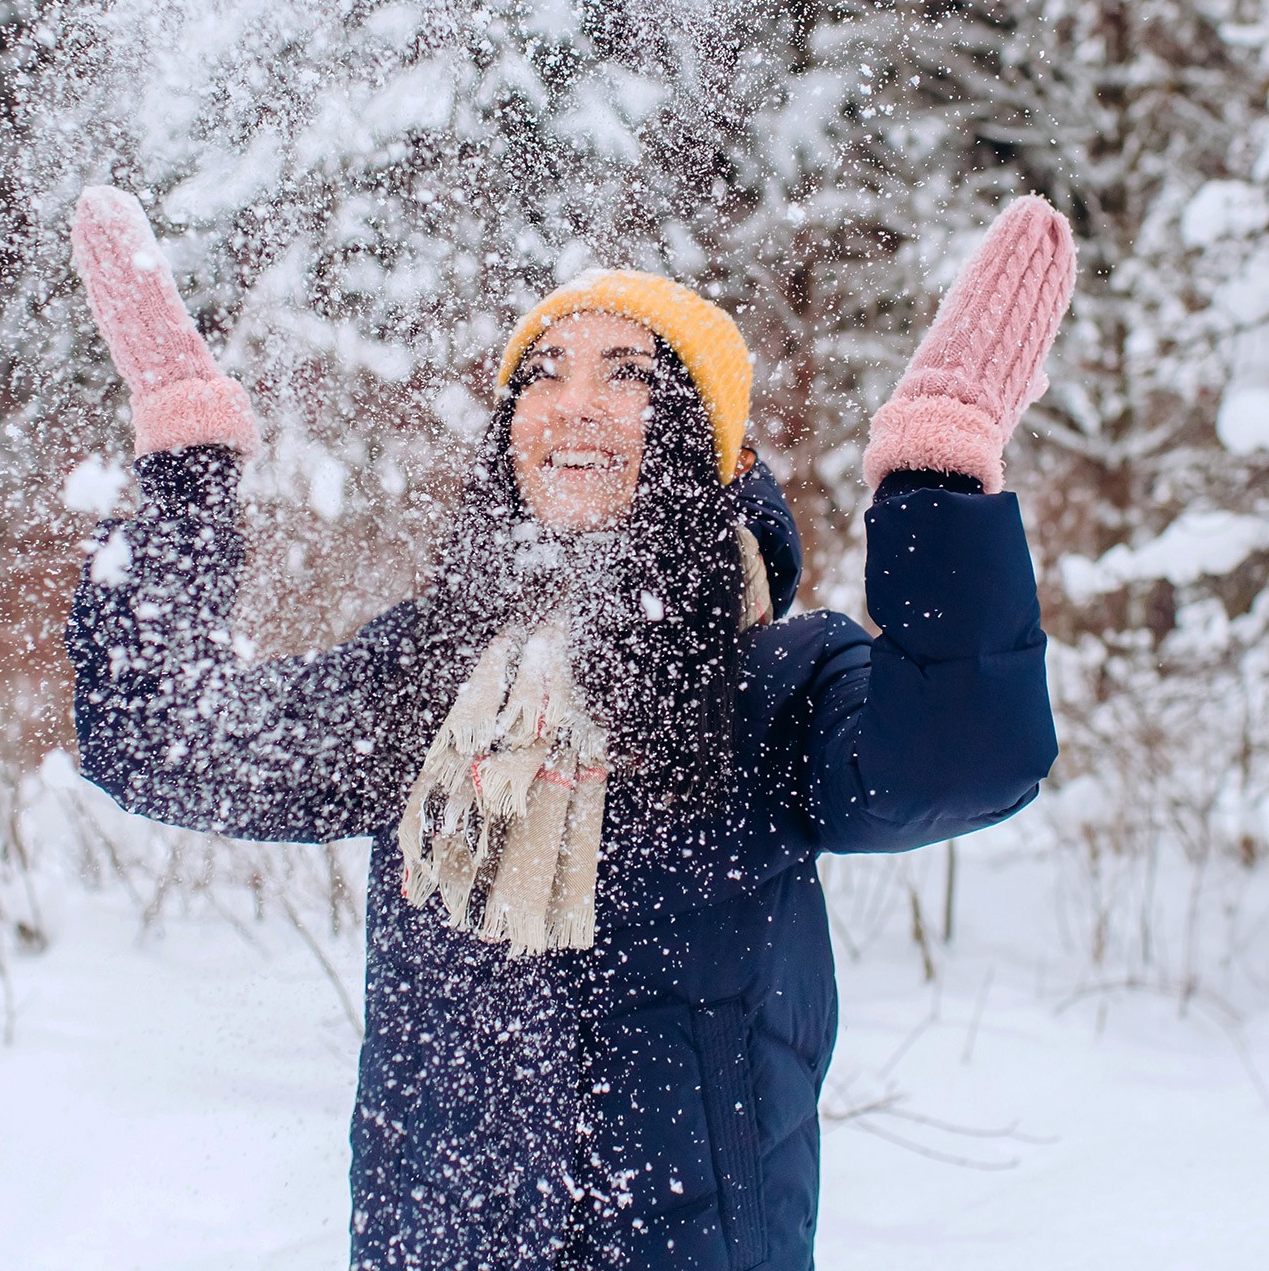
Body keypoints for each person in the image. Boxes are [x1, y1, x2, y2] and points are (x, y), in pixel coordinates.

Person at [64, 185, 1073, 1270]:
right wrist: (185, 462)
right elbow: (171, 738)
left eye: (629, 376)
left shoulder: (770, 684)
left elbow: (964, 757)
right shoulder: (429, 672)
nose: (572, 403)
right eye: (539, 376)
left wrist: (937, 469)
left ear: (708, 441)